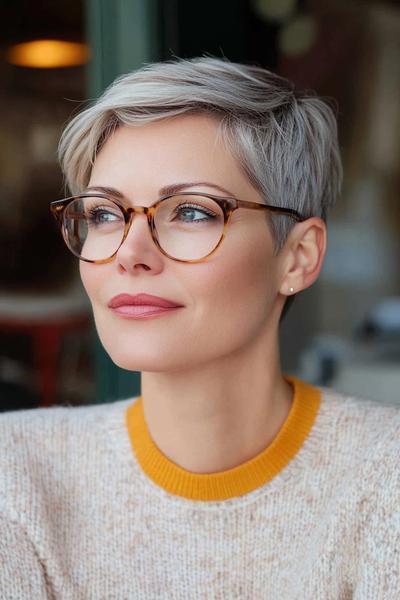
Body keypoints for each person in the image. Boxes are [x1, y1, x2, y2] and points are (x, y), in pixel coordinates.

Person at [1, 56, 399, 599]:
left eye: (191, 212)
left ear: (298, 257)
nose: (130, 254)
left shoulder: (384, 477)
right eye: (104, 214)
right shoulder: (17, 477)